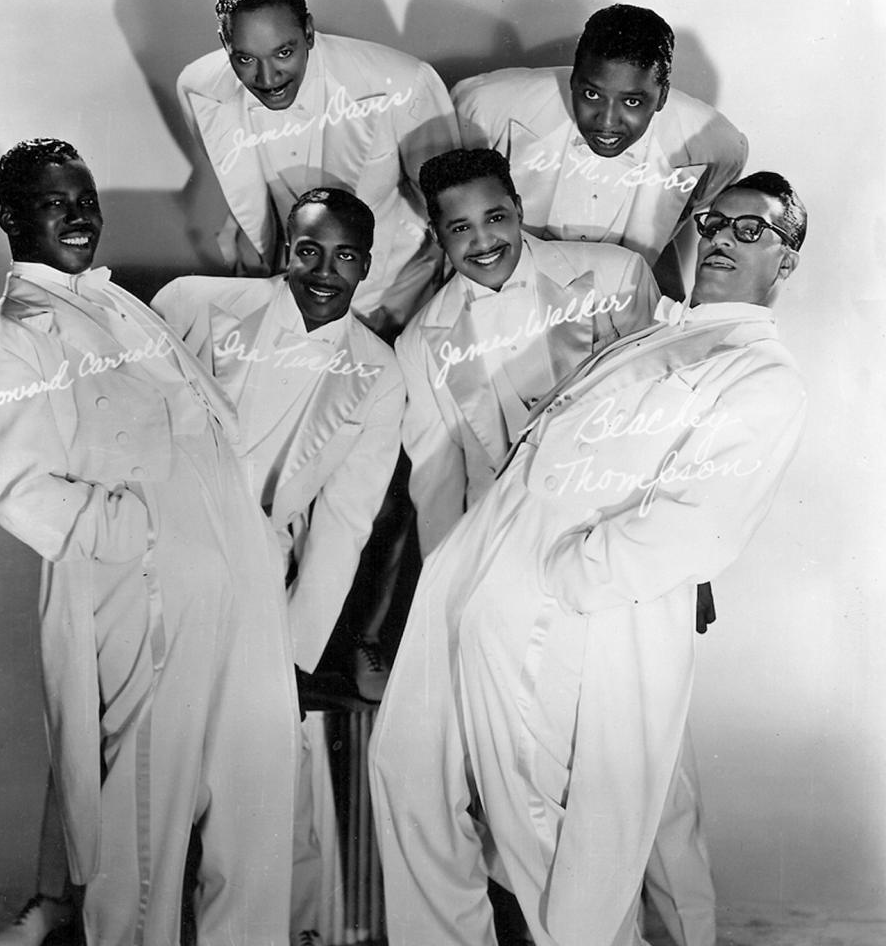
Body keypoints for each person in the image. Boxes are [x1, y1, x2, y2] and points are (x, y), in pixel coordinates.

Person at [370, 172, 808, 946]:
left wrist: (569, 578)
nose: (720, 239)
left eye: (752, 231)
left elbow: (703, 521)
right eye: (714, 222)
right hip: (483, 566)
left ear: (787, 259)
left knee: (560, 835)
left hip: (573, 601)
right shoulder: (668, 332)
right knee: (411, 771)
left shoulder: (759, 370)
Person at [0, 139, 299, 946]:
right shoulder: (6, 341)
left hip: (236, 582)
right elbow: (21, 491)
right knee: (143, 815)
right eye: (54, 202)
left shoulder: (121, 306)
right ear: (10, 218)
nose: (78, 215)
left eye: (85, 198)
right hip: (141, 594)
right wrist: (140, 539)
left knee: (254, 791)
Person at [153, 188, 404, 945]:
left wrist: (292, 657)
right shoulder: (194, 304)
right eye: (307, 250)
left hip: (262, 585)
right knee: (147, 799)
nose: (324, 272)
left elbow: (344, 524)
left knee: (253, 810)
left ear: (367, 263)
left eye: (345, 256)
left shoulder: (378, 371)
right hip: (159, 563)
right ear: (281, 249)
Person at [397, 147, 659, 557]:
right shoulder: (418, 343)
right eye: (460, 228)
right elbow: (437, 485)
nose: (483, 241)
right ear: (435, 234)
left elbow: (663, 427)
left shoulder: (617, 276)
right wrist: (446, 586)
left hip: (612, 535)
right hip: (503, 545)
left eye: (495, 218)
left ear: (518, 208)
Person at [177, 0, 461, 337]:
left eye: (283, 52)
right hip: (275, 290)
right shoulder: (198, 88)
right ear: (224, 44)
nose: (267, 78)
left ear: (309, 31)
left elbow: (450, 210)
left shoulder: (405, 82)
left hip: (391, 298)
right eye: (245, 59)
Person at [453, 4, 748, 304]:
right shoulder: (488, 106)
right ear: (573, 80)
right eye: (592, 94)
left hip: (625, 302)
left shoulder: (713, 143)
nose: (607, 122)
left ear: (662, 97)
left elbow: (694, 202)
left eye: (632, 102)